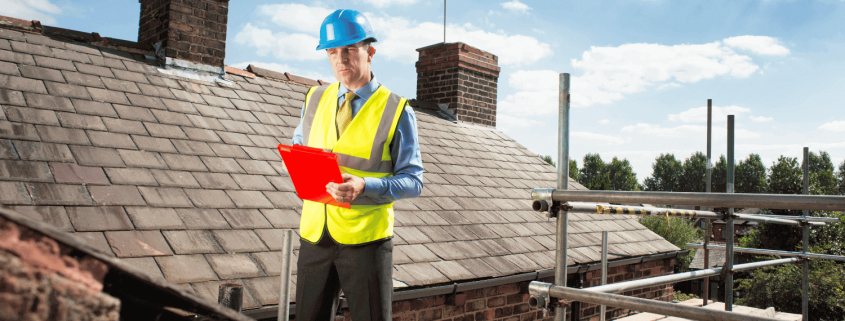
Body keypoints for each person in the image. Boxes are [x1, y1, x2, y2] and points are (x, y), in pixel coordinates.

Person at [290, 9, 424, 321]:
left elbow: (413, 181)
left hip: (366, 242)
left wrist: (365, 186)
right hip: (315, 236)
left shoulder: (396, 110)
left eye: (349, 50)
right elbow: (300, 145)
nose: (340, 60)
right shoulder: (314, 99)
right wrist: (297, 159)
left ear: (370, 52)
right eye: (332, 52)